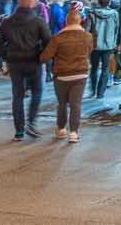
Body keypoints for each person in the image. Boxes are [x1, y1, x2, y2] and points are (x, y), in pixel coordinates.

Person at [0, 0, 53, 141]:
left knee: (18, 96)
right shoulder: (38, 21)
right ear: (32, 5)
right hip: (33, 61)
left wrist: (7, 57)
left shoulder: (7, 22)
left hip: (14, 62)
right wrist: (42, 58)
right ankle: (31, 121)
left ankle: (19, 131)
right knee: (37, 92)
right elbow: (49, 42)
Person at [41, 8, 94, 142]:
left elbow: (45, 57)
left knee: (62, 103)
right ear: (80, 21)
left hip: (61, 76)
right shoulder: (88, 37)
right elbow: (89, 51)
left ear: (66, 22)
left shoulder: (57, 38)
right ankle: (74, 133)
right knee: (76, 104)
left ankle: (60, 129)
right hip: (80, 75)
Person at [84, 0, 118, 99]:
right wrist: (115, 42)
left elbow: (87, 31)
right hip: (109, 45)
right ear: (109, 2)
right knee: (105, 69)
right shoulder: (114, 14)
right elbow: (117, 29)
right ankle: (100, 93)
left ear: (98, 2)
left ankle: (93, 90)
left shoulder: (92, 14)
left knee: (94, 68)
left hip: (95, 45)